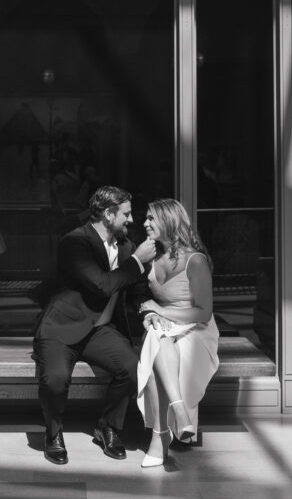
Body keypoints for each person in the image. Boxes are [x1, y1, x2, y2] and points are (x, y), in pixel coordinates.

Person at [33, 185, 157, 465]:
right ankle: (53, 432)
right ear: (108, 213)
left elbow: (135, 289)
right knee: (55, 380)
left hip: (99, 331)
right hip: (62, 327)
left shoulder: (125, 246)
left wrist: (147, 310)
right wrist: (138, 261)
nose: (131, 220)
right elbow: (102, 286)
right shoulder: (74, 243)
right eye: (126, 214)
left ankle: (108, 426)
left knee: (132, 368)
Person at [136, 198, 219, 468]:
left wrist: (160, 311)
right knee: (157, 337)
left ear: (169, 221)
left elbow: (203, 312)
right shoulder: (152, 255)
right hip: (164, 325)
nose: (145, 223)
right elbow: (138, 298)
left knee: (156, 346)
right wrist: (150, 313)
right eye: (145, 218)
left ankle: (159, 439)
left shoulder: (195, 260)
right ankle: (179, 411)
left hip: (195, 327)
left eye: (151, 218)